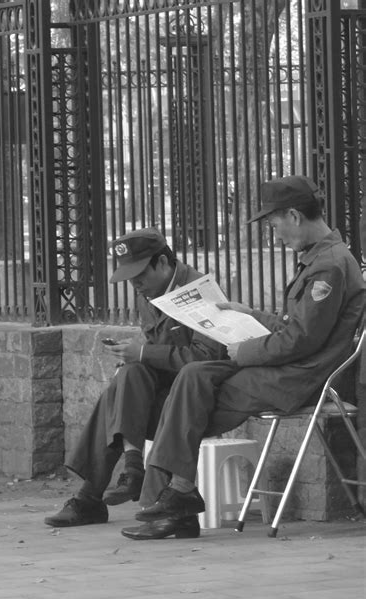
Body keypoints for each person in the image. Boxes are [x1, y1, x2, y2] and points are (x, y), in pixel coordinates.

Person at [121, 175, 365, 540]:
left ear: (295, 216)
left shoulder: (327, 266)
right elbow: (290, 325)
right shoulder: (319, 258)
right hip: (285, 364)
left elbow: (302, 341)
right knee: (193, 376)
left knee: (188, 400)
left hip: (300, 377)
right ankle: (178, 496)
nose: (275, 233)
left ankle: (174, 500)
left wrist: (244, 350)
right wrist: (247, 313)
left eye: (274, 223)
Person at [44, 227, 226, 528]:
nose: (135, 284)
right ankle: (128, 471)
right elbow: (152, 346)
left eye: (140, 274)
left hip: (195, 390)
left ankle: (93, 495)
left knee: (120, 388)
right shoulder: (149, 292)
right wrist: (134, 357)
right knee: (128, 375)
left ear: (163, 263)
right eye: (129, 277)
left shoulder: (198, 291)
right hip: (161, 384)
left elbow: (205, 359)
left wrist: (143, 354)